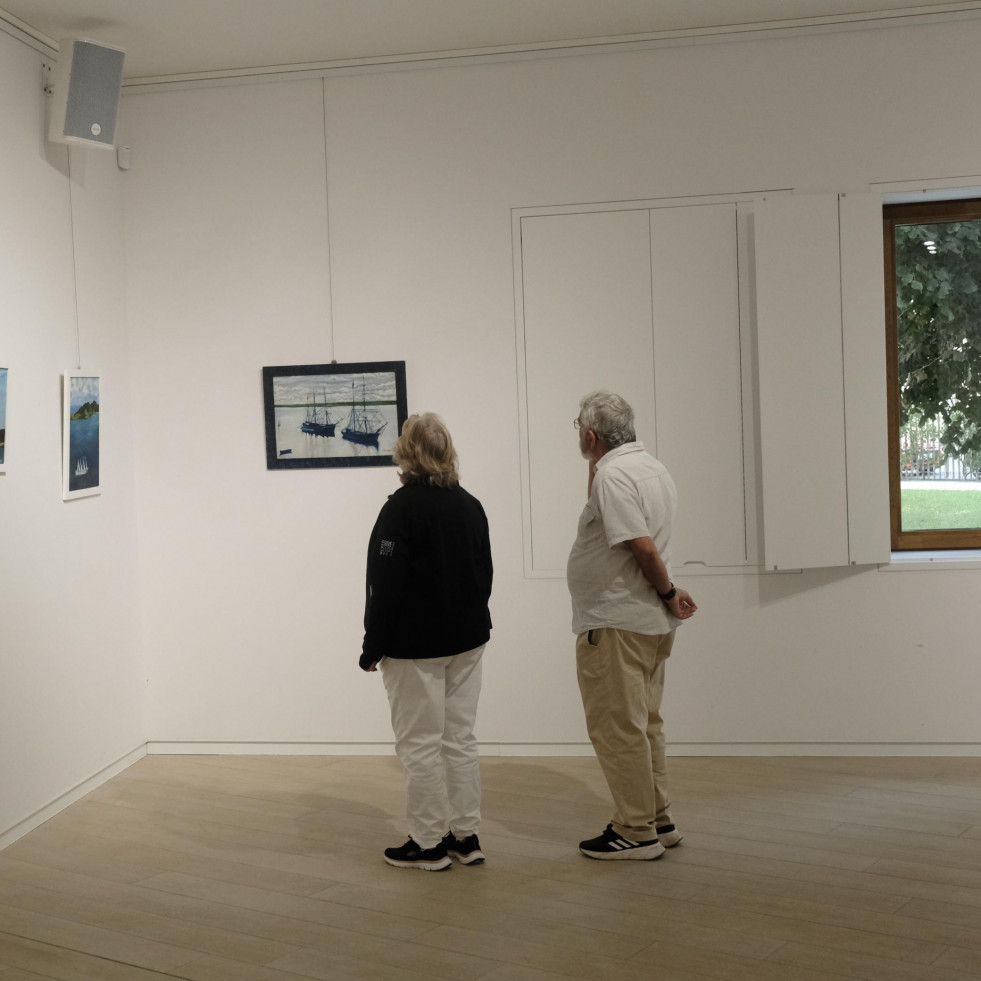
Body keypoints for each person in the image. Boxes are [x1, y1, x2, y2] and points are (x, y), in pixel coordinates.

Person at [567, 390, 697, 860]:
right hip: (643, 622)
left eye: (577, 427)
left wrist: (667, 591)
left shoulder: (615, 476)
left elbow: (642, 548)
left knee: (618, 728)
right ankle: (658, 819)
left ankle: (635, 830)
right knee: (644, 725)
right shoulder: (646, 468)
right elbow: (603, 521)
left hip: (618, 622)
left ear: (591, 434)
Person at [360, 412, 493, 871]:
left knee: (419, 744)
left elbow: (384, 585)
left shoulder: (400, 509)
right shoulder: (470, 504)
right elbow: (484, 575)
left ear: (407, 452)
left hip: (414, 647)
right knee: (459, 740)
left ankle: (428, 843)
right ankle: (466, 836)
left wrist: (371, 646)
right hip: (469, 642)